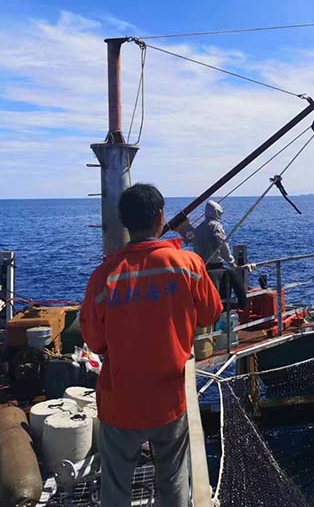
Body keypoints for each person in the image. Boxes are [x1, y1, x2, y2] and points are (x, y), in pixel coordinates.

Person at [80, 184, 222, 506]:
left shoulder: (104, 276)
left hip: (120, 401)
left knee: (115, 487)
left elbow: (94, 341)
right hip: (169, 399)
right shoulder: (189, 265)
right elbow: (210, 313)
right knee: (172, 482)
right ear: (160, 218)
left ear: (125, 222)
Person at [192, 200, 247, 310]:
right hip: (216, 267)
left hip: (203, 268)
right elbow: (223, 245)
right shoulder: (216, 226)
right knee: (232, 282)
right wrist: (231, 262)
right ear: (216, 212)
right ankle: (241, 304)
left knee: (210, 299)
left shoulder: (198, 228)